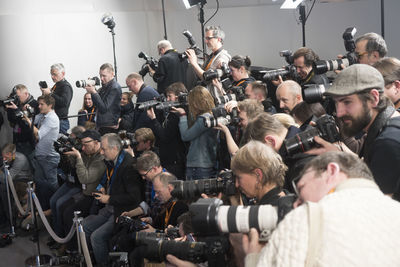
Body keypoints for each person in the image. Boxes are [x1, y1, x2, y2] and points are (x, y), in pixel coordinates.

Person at [244, 151, 400, 267]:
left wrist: (253, 257)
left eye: (301, 188)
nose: (296, 204)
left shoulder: (308, 217)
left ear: (331, 171)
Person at [308, 64, 400, 200]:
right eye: (336, 103)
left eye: (347, 102)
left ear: (374, 98)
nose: (339, 113)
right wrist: (341, 156)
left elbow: (377, 208)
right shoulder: (387, 127)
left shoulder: (387, 142)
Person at [82, 133, 142, 266]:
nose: (101, 152)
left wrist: (109, 199)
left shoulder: (128, 166)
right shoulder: (112, 161)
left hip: (121, 211)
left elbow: (134, 197)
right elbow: (108, 178)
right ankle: (91, 259)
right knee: (84, 226)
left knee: (97, 237)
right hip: (110, 208)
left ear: (115, 148)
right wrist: (103, 187)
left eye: (104, 149)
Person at [59, 130, 106, 252]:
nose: (83, 148)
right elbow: (74, 169)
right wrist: (69, 157)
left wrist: (79, 157)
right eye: (82, 144)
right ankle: (66, 242)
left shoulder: (101, 158)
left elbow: (85, 177)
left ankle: (74, 248)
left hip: (94, 197)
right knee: (62, 207)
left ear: (96, 142)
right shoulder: (87, 153)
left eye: (86, 144)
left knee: (69, 213)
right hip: (84, 192)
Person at [173, 86, 218, 180]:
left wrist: (182, 115)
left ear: (196, 102)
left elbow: (186, 136)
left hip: (198, 166)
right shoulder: (211, 116)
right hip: (205, 164)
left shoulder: (203, 120)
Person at [25, 94, 60, 211]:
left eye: (42, 104)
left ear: (50, 105)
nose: (39, 106)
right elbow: (32, 120)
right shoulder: (43, 116)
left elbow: (38, 134)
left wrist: (27, 120)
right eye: (39, 104)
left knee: (52, 185)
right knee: (39, 184)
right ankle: (42, 209)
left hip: (49, 157)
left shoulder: (52, 118)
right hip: (40, 155)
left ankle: (54, 209)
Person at [147, 82, 188, 179]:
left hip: (174, 160)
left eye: (170, 96)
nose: (168, 99)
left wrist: (153, 119)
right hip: (172, 158)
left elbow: (165, 136)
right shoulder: (173, 112)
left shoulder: (177, 115)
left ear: (178, 96)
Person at [185, 25, 231, 98]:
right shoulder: (212, 55)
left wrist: (194, 63)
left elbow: (206, 78)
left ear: (219, 39)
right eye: (205, 38)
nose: (206, 41)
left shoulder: (223, 57)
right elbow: (201, 74)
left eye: (209, 38)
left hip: (215, 99)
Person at [85, 63, 121, 135]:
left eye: (104, 76)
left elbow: (103, 108)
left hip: (109, 126)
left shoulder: (115, 87)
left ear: (112, 74)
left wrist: (93, 92)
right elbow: (97, 104)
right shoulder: (105, 86)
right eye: (100, 75)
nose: (101, 78)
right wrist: (92, 91)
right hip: (102, 124)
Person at [5, 84, 39, 157]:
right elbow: (11, 120)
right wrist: (10, 108)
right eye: (15, 96)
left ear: (26, 94)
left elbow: (27, 124)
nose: (16, 98)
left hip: (27, 141)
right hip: (17, 138)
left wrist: (17, 109)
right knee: (16, 160)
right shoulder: (17, 103)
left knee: (27, 163)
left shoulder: (34, 104)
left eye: (18, 96)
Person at [40, 63, 73, 134]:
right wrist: (45, 93)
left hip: (60, 121)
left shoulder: (66, 86)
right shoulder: (57, 85)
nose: (52, 77)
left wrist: (50, 93)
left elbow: (64, 102)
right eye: (51, 74)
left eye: (55, 74)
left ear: (63, 73)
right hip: (54, 119)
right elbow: (51, 102)